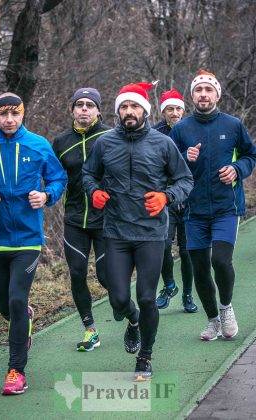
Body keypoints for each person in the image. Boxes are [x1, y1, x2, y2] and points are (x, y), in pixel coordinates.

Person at [83, 82, 193, 380]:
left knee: (146, 297)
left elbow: (185, 180)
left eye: (134, 106)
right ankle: (132, 322)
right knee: (118, 297)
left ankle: (145, 356)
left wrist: (166, 197)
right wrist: (93, 191)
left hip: (151, 233)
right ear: (117, 111)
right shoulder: (105, 143)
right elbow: (88, 173)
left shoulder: (162, 143)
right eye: (123, 107)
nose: (128, 111)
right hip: (116, 231)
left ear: (144, 110)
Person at [0, 93, 67, 395]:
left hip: (28, 238)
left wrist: (46, 196)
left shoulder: (39, 145)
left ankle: (16, 370)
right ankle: (23, 318)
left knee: (16, 300)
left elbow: (58, 178)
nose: (10, 120)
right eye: (4, 114)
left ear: (23, 114)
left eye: (15, 114)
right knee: (6, 307)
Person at [171, 69, 256, 341]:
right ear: (192, 95)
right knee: (199, 268)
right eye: (199, 90)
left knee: (220, 260)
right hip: (193, 211)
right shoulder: (181, 129)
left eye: (209, 90)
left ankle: (226, 307)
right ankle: (212, 321)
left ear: (217, 94)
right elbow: (167, 165)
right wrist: (185, 156)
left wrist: (237, 168)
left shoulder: (232, 125)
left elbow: (250, 155)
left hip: (225, 207)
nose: (204, 94)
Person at [53, 88, 111, 352]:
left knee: (106, 277)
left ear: (99, 110)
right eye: (80, 105)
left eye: (90, 105)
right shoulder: (61, 142)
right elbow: (53, 177)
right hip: (75, 219)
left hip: (106, 219)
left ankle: (132, 316)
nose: (84, 109)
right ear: (72, 110)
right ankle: (90, 329)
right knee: (77, 274)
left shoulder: (110, 137)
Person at [153, 89, 198, 313]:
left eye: (178, 108)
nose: (174, 113)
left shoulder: (192, 129)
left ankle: (188, 295)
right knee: (162, 245)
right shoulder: (153, 133)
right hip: (165, 199)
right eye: (170, 109)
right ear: (163, 112)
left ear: (184, 109)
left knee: (187, 249)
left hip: (189, 199)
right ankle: (169, 285)